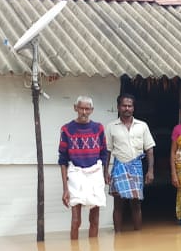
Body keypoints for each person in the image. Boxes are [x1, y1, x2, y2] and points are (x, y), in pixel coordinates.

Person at [59, 96, 110, 240]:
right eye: (81, 108)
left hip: (95, 173)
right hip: (75, 174)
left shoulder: (98, 128)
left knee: (94, 220)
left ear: (92, 110)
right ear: (75, 108)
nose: (84, 112)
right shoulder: (67, 130)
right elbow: (62, 160)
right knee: (76, 221)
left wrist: (105, 173)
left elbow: (104, 153)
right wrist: (65, 188)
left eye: (87, 109)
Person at [105, 93, 155, 232]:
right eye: (124, 105)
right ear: (118, 107)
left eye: (130, 105)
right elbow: (107, 151)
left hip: (136, 168)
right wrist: (105, 172)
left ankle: (137, 236)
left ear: (133, 108)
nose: (127, 108)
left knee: (136, 204)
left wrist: (150, 171)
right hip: (119, 167)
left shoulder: (142, 126)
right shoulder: (111, 127)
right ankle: (118, 237)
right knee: (118, 205)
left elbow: (149, 150)